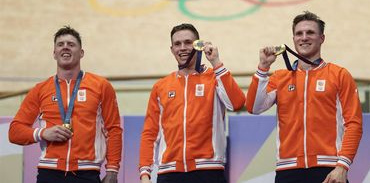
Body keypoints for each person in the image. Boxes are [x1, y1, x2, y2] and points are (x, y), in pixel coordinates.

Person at [246, 11, 363, 183]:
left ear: (322, 38)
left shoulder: (339, 75)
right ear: (293, 39)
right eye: (299, 33)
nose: (304, 37)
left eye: (310, 33)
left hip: (329, 169)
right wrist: (263, 67)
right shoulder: (280, 77)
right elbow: (254, 108)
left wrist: (342, 166)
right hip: (288, 170)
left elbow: (353, 124)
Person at [8, 26, 123, 183]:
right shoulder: (40, 90)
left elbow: (113, 130)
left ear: (81, 53)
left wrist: (112, 169)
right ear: (54, 53)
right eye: (60, 44)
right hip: (49, 172)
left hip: (86, 173)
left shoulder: (101, 86)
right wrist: (42, 133)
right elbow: (14, 131)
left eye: (71, 44)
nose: (65, 47)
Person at [139, 23, 245, 183]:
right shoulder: (161, 86)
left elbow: (237, 103)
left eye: (188, 42)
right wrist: (145, 172)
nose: (182, 48)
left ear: (198, 45)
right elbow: (150, 133)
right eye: (177, 44)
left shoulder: (214, 78)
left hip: (209, 171)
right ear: (172, 49)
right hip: (169, 173)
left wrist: (216, 62)